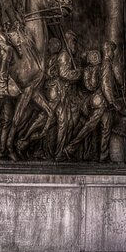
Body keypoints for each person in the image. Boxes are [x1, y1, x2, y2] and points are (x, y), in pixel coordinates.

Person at [54, 30, 82, 160]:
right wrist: (78, 74)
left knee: (70, 123)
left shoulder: (71, 56)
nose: (75, 45)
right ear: (69, 42)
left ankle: (64, 151)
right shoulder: (64, 55)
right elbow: (63, 74)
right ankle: (58, 153)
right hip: (60, 95)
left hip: (68, 95)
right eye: (74, 42)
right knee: (63, 123)